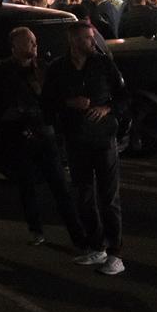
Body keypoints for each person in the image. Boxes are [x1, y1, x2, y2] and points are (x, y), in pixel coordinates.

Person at [0, 26, 83, 248]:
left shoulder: (44, 68)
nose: (34, 46)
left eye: (34, 41)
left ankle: (77, 233)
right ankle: (36, 229)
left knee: (60, 186)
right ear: (14, 46)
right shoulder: (1, 70)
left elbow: (57, 96)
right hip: (18, 136)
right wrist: (3, 116)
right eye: (28, 42)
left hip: (44, 133)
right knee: (27, 186)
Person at [45, 22, 128, 275]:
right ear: (73, 41)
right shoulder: (58, 68)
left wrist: (106, 108)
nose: (93, 43)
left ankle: (116, 252)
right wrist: (70, 103)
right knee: (83, 194)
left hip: (103, 138)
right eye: (87, 39)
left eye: (93, 39)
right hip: (75, 138)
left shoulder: (103, 64)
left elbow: (124, 96)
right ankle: (97, 245)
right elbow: (47, 101)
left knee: (108, 196)